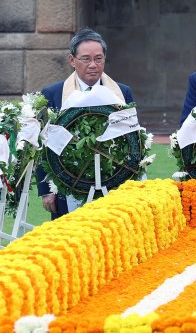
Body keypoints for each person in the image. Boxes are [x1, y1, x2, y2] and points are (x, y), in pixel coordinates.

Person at [38, 28, 136, 219]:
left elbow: (134, 139)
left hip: (113, 179)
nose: (93, 65)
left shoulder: (122, 93)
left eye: (98, 59)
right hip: (65, 181)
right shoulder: (53, 94)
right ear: (72, 60)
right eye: (86, 59)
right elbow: (44, 144)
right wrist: (46, 189)